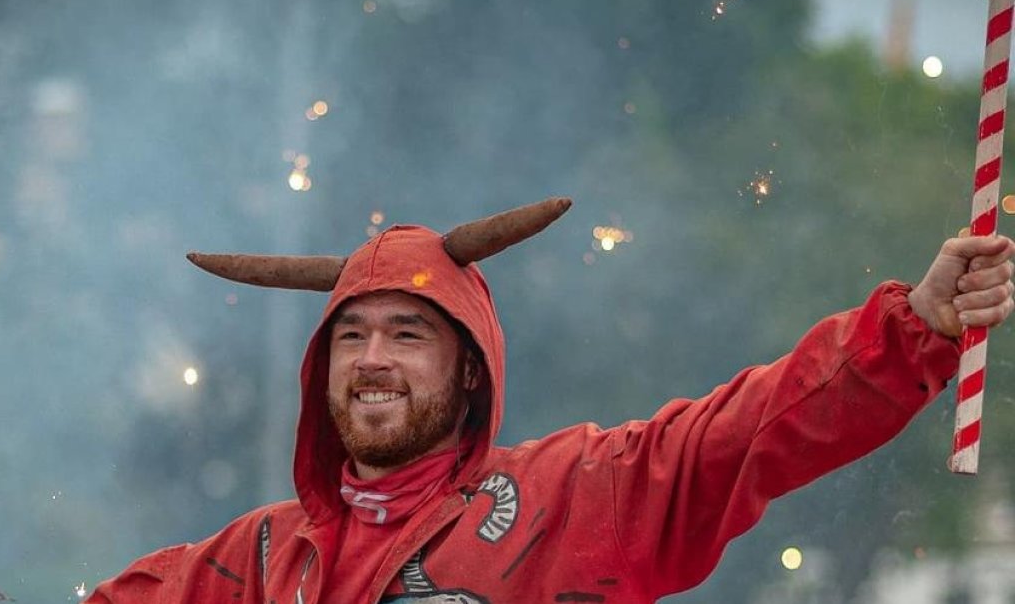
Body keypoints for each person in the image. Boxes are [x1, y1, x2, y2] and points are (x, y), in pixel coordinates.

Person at [87, 198, 1015, 603]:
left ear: (468, 371)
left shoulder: (578, 497)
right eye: (351, 334)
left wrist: (915, 326)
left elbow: (749, 431)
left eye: (409, 335)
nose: (373, 359)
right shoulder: (244, 564)